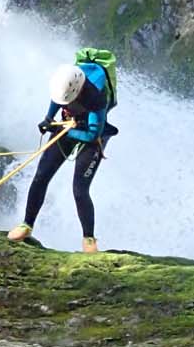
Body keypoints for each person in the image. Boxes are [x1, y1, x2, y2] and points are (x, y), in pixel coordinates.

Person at [8, 55, 116, 253]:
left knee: (79, 189)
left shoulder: (96, 95)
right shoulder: (64, 82)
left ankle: (89, 240)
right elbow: (57, 99)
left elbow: (93, 133)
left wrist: (68, 129)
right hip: (68, 125)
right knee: (41, 176)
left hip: (93, 135)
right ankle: (26, 225)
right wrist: (48, 118)